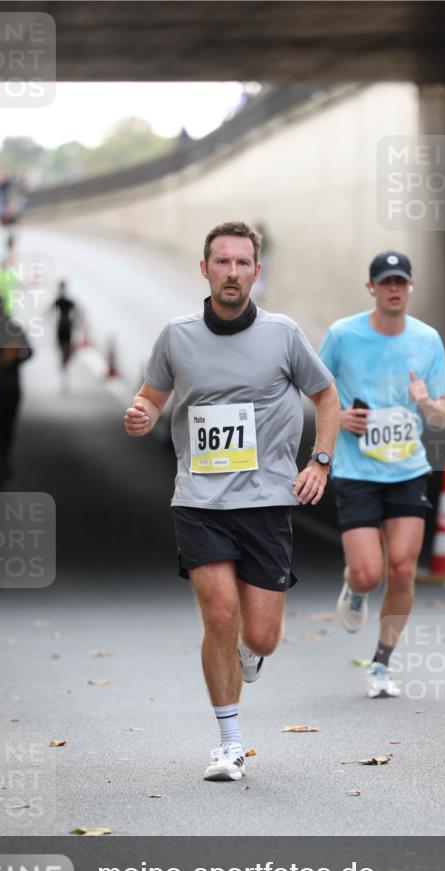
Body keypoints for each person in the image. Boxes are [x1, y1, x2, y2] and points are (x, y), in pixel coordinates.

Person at [125, 221, 339, 782]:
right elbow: (151, 395)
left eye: (243, 263)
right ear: (205, 269)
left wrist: (319, 460)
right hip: (199, 498)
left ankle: (252, 651)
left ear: (256, 273)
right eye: (222, 262)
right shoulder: (177, 335)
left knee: (260, 635)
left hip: (266, 501)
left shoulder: (283, 333)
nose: (232, 272)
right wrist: (141, 412)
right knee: (219, 615)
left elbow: (326, 394)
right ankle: (229, 742)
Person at [319, 250, 445, 698]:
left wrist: (425, 401)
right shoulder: (342, 335)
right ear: (371, 287)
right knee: (368, 573)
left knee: (401, 568)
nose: (393, 289)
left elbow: (443, 416)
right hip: (357, 469)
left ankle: (381, 664)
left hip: (407, 469)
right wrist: (339, 419)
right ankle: (354, 589)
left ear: (410, 286)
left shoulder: (427, 339)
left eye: (401, 281)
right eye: (385, 282)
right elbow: (317, 391)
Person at [0, 294, 33, 488]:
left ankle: (1, 460)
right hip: (9, 387)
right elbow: (29, 352)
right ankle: (2, 460)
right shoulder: (13, 328)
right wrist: (15, 362)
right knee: (6, 428)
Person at [51, 281, 77, 389]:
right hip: (64, 328)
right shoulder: (66, 301)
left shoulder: (61, 301)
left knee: (64, 351)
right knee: (65, 351)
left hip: (63, 327)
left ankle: (64, 366)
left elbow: (48, 311)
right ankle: (64, 366)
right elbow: (76, 313)